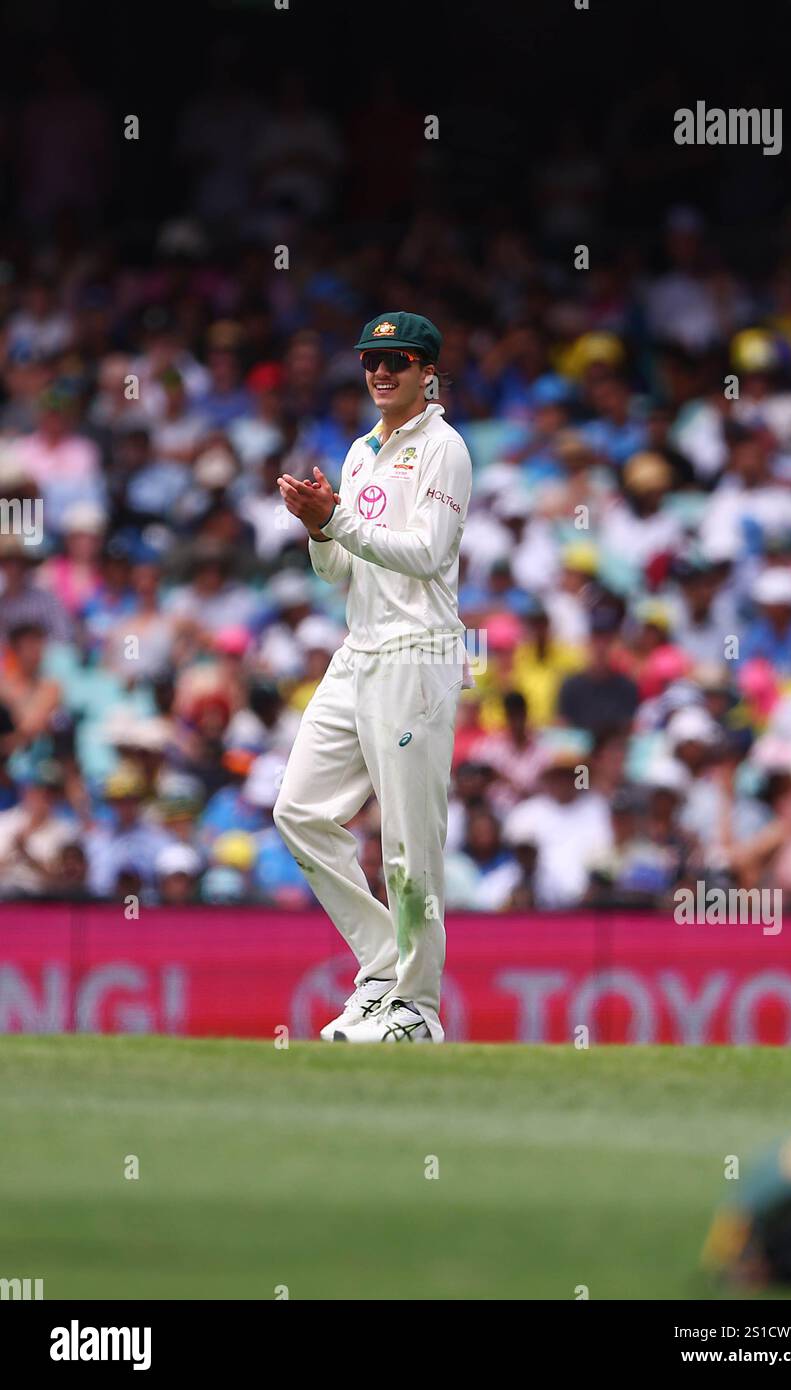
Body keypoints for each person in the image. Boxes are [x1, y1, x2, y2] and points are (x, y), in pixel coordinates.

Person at [273, 313, 472, 1042]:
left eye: (397, 360)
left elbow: (427, 552)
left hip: (418, 654)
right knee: (299, 812)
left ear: (427, 371)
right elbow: (340, 570)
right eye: (370, 360)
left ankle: (417, 1009)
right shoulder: (361, 452)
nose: (381, 372)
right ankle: (385, 966)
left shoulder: (445, 450)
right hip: (359, 651)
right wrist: (319, 528)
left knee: (407, 844)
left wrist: (340, 522)